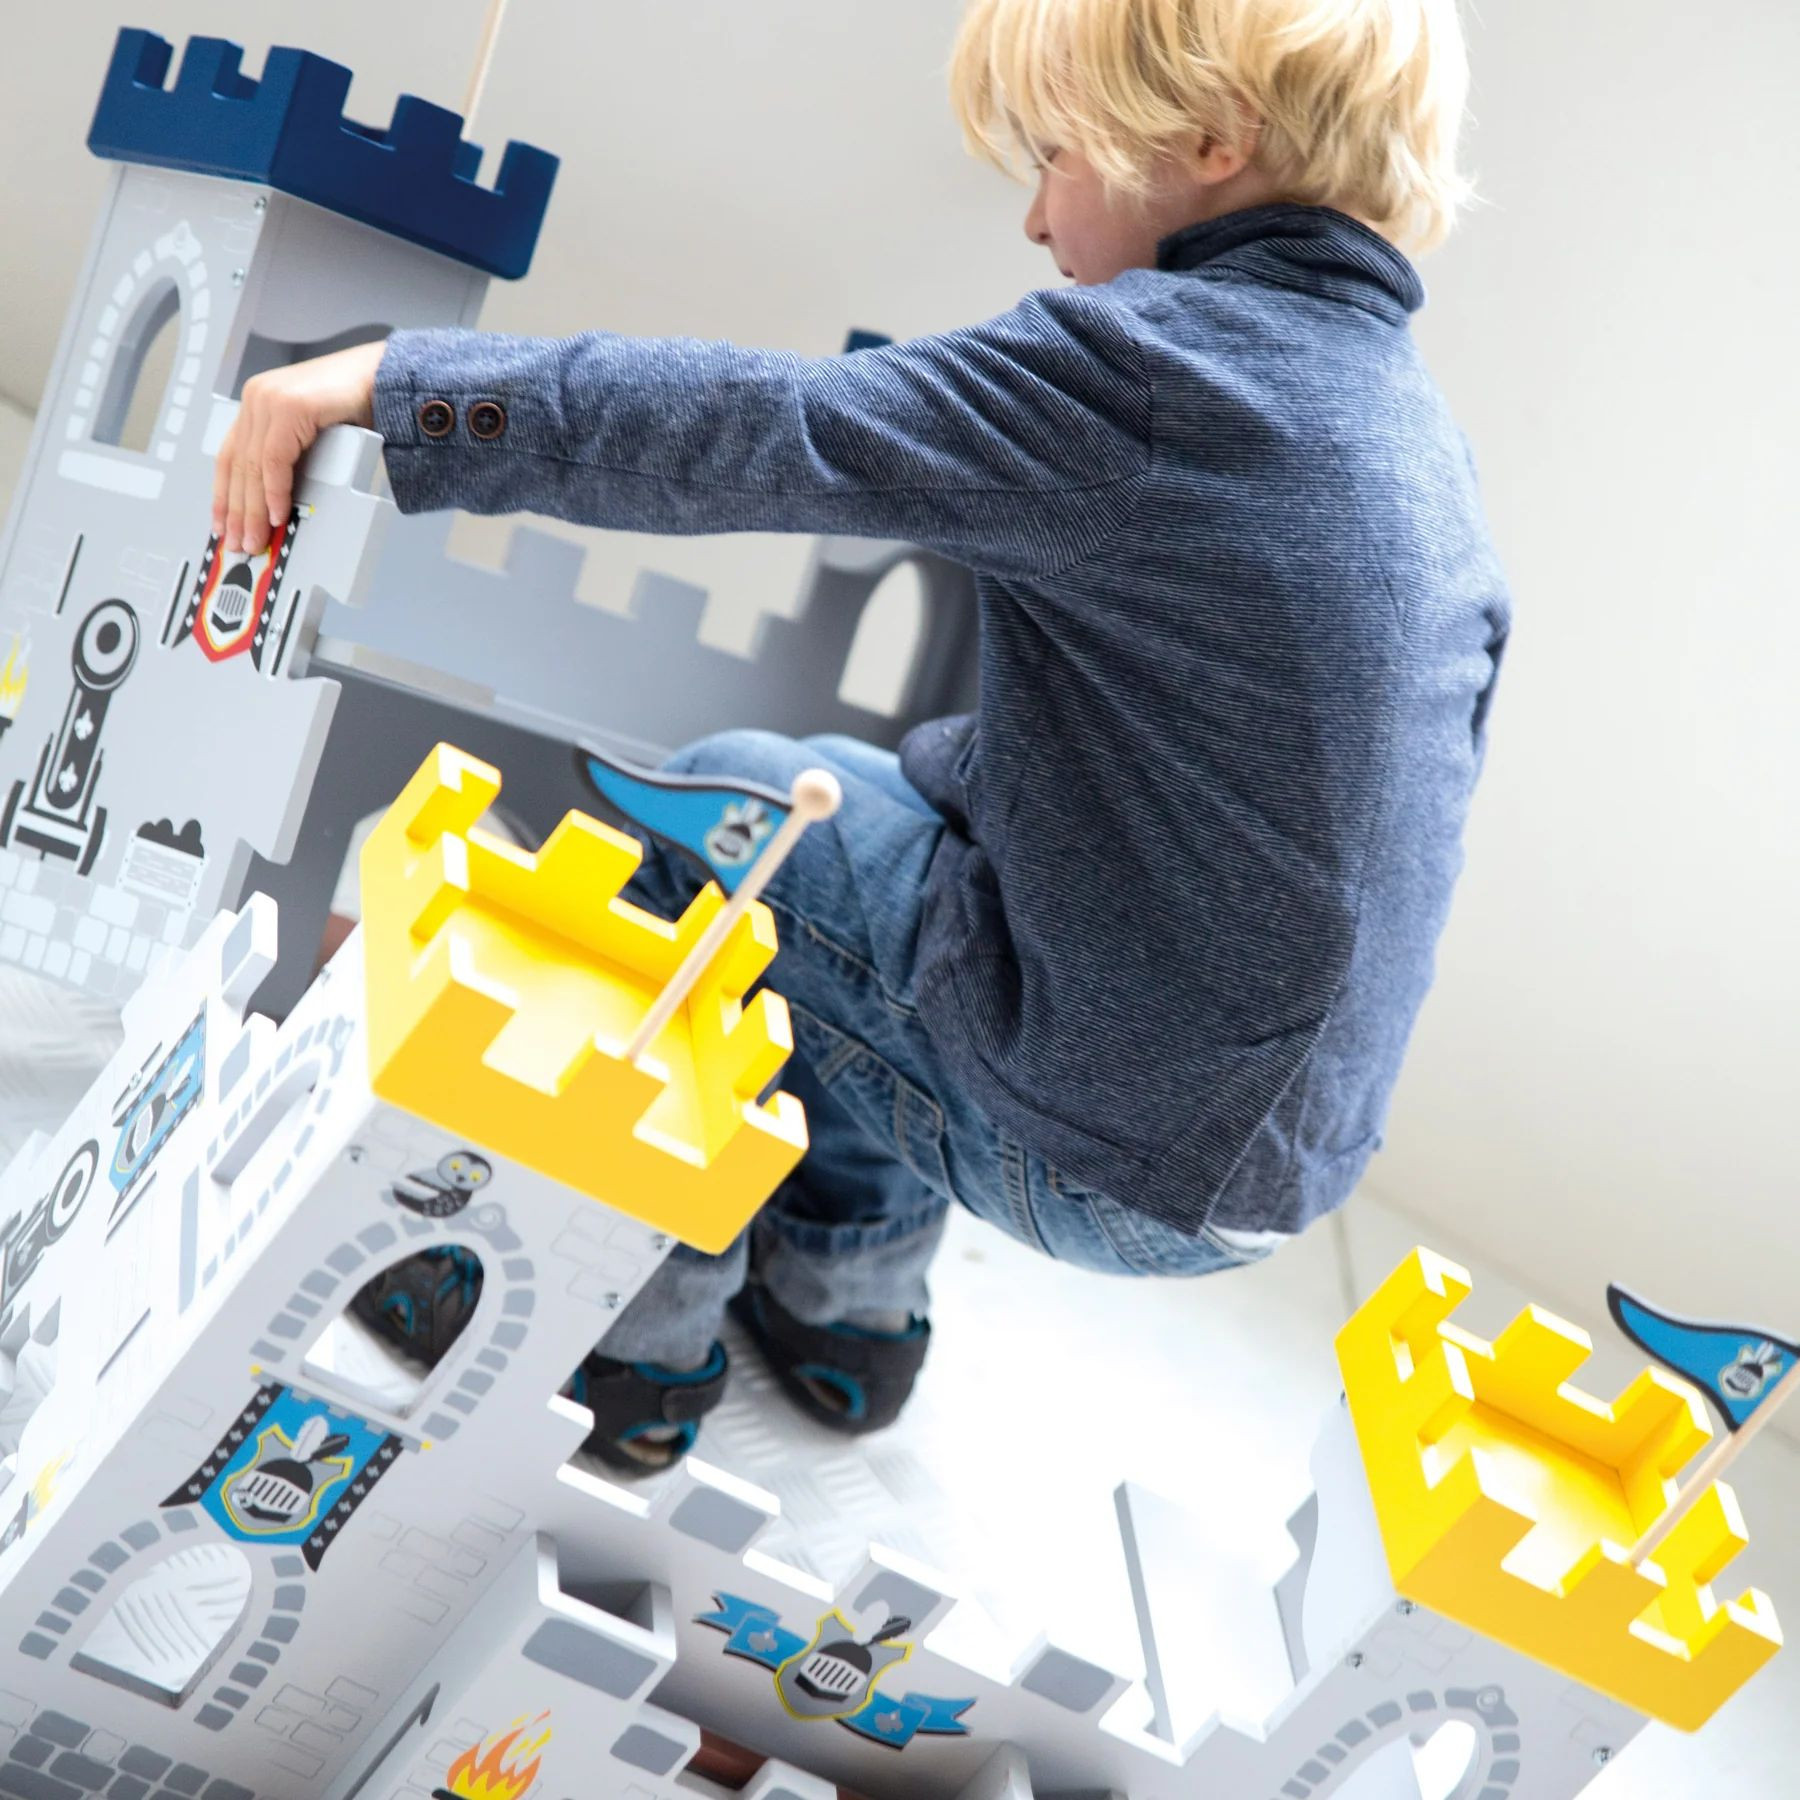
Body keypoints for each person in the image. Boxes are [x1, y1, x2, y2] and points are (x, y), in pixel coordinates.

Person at [214, 0, 1511, 1475]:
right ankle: (848, 1312)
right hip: (1273, 1158)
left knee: (726, 814)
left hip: (1099, 1143)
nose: (1035, 219)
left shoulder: (1156, 375)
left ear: (1213, 140)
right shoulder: (1417, 444)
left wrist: (402, 385)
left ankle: (627, 1338)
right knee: (858, 828)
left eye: (1057, 155)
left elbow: (764, 429)